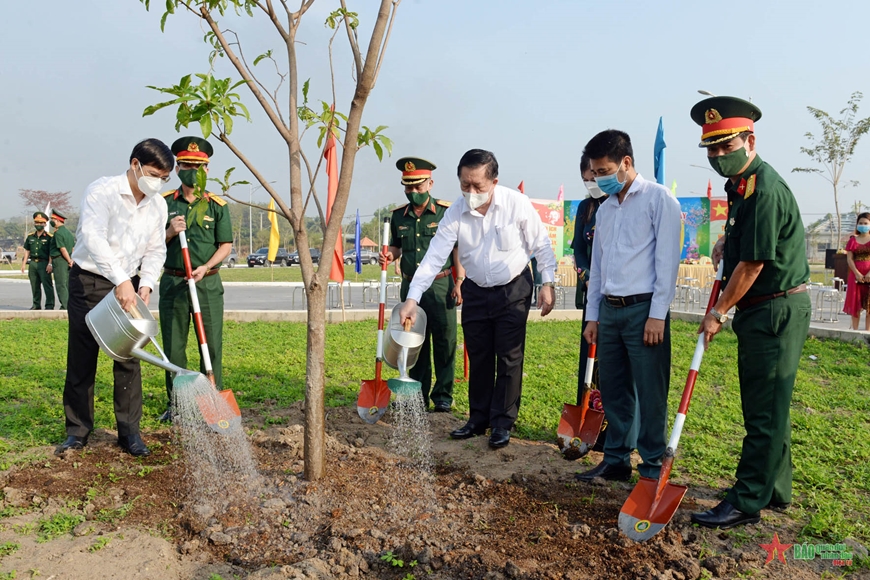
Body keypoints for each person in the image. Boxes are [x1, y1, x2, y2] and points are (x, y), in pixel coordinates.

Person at [690, 96, 811, 529]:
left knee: (762, 411)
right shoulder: (741, 184)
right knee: (770, 405)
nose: (719, 156)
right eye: (712, 149)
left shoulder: (764, 190)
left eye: (727, 146)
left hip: (774, 310)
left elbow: (753, 265)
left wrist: (718, 312)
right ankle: (775, 488)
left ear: (750, 139)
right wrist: (727, 241)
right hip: (765, 308)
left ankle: (747, 499)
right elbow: (745, 244)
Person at [398, 149, 557, 449]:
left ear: (494, 181)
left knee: (509, 357)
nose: (470, 192)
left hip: (512, 289)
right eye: (464, 185)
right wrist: (413, 298)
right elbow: (434, 256)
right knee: (480, 354)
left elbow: (542, 245)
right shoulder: (456, 211)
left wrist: (546, 282)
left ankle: (502, 423)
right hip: (475, 290)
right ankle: (478, 418)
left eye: (477, 186)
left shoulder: (516, 204)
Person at [577, 130, 681, 483]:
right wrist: (593, 316)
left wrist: (657, 314)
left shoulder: (659, 200)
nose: (598, 178)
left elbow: (667, 263)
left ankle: (652, 467)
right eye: (594, 172)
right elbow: (599, 266)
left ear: (626, 163)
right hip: (610, 310)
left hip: (642, 312)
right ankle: (617, 459)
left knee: (651, 393)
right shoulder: (605, 210)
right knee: (615, 390)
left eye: (604, 170)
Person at [58, 138, 173, 457]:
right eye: (153, 173)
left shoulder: (157, 204)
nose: (157, 183)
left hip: (131, 283)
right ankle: (77, 431)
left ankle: (129, 433)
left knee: (128, 357)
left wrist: (146, 283)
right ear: (135, 164)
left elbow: (155, 249)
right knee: (82, 355)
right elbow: (92, 238)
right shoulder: (102, 191)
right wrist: (120, 280)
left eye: (164, 178)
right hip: (90, 280)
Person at [380, 157, 463, 412]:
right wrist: (391, 254)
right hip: (410, 290)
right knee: (414, 343)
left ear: (430, 183)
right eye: (408, 187)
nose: (413, 192)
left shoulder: (445, 212)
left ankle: (443, 398)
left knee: (444, 342)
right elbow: (397, 245)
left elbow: (457, 249)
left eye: (417, 187)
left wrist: (459, 281)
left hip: (441, 286)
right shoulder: (398, 216)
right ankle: (417, 396)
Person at [158, 137, 233, 422]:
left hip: (207, 283)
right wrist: (168, 232)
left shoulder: (216, 205)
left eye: (199, 166)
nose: (193, 170)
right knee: (174, 347)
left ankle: (212, 402)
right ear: (177, 168)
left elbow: (225, 245)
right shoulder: (163, 204)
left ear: (207, 170)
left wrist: (206, 266)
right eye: (187, 165)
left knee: (211, 345)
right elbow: (149, 244)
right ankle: (178, 405)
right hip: (174, 283)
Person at [571, 154, 606, 405]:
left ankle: (609, 425)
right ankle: (586, 410)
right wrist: (587, 276)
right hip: (591, 292)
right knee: (589, 356)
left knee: (610, 360)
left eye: (593, 178)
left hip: (616, 294)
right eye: (586, 180)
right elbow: (579, 250)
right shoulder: (585, 208)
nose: (590, 184)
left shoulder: (619, 202)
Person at [21, 212, 55, 310]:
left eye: (41, 223)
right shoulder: (31, 236)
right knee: (34, 285)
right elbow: (27, 251)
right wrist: (23, 264)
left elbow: (51, 252)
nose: (39, 225)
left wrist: (50, 264)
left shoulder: (49, 237)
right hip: (33, 263)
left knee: (47, 285)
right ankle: (36, 305)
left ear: (45, 224)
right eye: (37, 222)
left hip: (44, 263)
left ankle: (49, 305)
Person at [843, 212, 870, 331]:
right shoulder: (853, 240)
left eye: (865, 223)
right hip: (855, 276)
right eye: (860, 223)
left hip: (869, 275)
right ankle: (855, 333)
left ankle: (868, 332)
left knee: (869, 306)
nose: (863, 225)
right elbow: (849, 258)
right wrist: (857, 273)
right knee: (856, 305)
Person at [48, 210, 75, 310]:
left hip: (60, 260)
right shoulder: (68, 233)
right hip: (67, 260)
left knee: (61, 284)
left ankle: (65, 306)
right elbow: (72, 248)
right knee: (67, 283)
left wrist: (68, 260)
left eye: (53, 219)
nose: (51, 222)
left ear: (57, 220)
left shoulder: (58, 233)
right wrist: (71, 260)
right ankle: (69, 304)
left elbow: (62, 249)